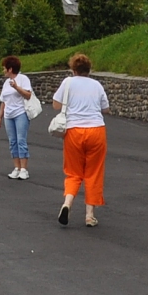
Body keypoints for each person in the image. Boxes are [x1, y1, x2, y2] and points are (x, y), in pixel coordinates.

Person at [53, 53, 109, 228]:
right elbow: (105, 108)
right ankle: (89, 215)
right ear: (89, 70)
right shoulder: (97, 85)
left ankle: (67, 204)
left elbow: (56, 104)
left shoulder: (68, 83)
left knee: (74, 172)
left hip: (74, 131)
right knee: (93, 172)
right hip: (96, 130)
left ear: (73, 69)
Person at [0, 55, 33, 180]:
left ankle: (24, 169)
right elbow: (3, 101)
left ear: (10, 69)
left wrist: (16, 87)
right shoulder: (6, 83)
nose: (3, 70)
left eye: (4, 68)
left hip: (20, 113)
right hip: (8, 115)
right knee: (12, 142)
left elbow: (28, 95)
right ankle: (16, 168)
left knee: (21, 140)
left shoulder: (23, 79)